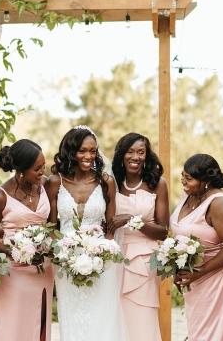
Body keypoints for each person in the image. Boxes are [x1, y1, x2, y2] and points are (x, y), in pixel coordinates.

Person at [45, 125, 129, 341]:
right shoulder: (55, 182)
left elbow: (110, 228)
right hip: (65, 261)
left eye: (93, 151)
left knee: (100, 318)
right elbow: (52, 226)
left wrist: (102, 253)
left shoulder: (105, 182)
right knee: (71, 316)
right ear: (70, 151)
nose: (89, 156)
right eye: (82, 151)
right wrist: (65, 254)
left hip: (100, 262)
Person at [169, 153, 223, 341]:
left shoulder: (220, 203)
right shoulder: (189, 196)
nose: (183, 182)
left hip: (219, 274)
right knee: (199, 330)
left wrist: (200, 271)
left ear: (206, 181)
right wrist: (177, 268)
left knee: (215, 332)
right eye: (183, 176)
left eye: (189, 179)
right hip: (196, 276)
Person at [0, 139, 55, 341]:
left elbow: (52, 226)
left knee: (40, 321)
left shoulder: (45, 186)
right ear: (21, 170)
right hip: (14, 270)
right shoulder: (1, 196)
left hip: (43, 267)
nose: (43, 171)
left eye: (43, 166)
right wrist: (14, 251)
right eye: (37, 168)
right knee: (14, 324)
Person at [106, 133, 170, 341]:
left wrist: (134, 220)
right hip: (115, 256)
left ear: (146, 156)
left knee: (142, 317)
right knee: (115, 316)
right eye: (130, 152)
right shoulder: (111, 182)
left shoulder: (157, 184)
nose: (136, 157)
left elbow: (163, 230)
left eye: (141, 152)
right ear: (122, 155)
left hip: (144, 258)